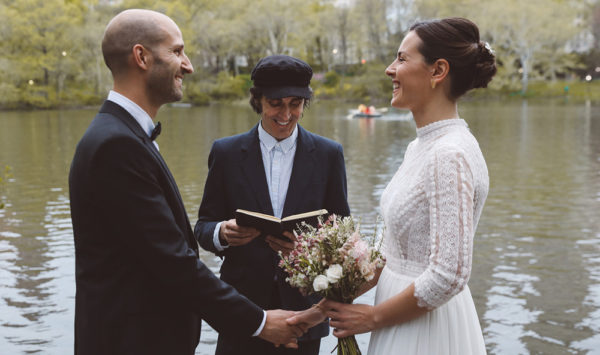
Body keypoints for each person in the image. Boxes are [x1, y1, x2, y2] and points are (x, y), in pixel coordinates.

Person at [69, 9, 305, 355]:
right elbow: (172, 262)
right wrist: (259, 322)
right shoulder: (116, 145)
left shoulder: (122, 135)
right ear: (141, 57)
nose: (188, 65)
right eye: (177, 51)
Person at [292, 17, 497, 354]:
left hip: (427, 330)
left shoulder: (450, 154)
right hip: (396, 316)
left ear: (437, 71)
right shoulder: (420, 147)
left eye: (402, 59)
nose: (390, 69)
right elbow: (393, 254)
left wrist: (372, 317)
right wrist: (319, 312)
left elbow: (449, 275)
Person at [194, 54, 351, 355]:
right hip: (241, 311)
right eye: (276, 103)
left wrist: (310, 250)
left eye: (296, 103)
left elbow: (342, 232)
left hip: (304, 313)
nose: (286, 113)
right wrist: (223, 233)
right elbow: (203, 227)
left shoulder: (329, 154)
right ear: (258, 100)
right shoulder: (225, 153)